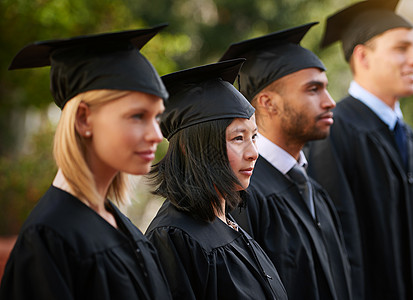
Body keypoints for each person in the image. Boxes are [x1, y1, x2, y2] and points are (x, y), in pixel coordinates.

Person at [0, 26, 173, 299]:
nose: (156, 135)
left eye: (157, 117)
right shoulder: (49, 238)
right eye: (138, 116)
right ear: (83, 119)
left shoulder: (117, 223)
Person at [306, 0, 413, 299]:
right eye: (402, 48)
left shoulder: (411, 139)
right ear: (363, 56)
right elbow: (337, 245)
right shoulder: (334, 132)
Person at [220, 22, 352, 300]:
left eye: (326, 88)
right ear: (267, 103)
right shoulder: (243, 194)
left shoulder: (310, 187)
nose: (330, 102)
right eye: (313, 89)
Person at [145, 59, 288, 300]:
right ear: (192, 149)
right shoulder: (174, 237)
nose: (254, 152)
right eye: (238, 138)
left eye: (254, 136)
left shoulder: (226, 221)